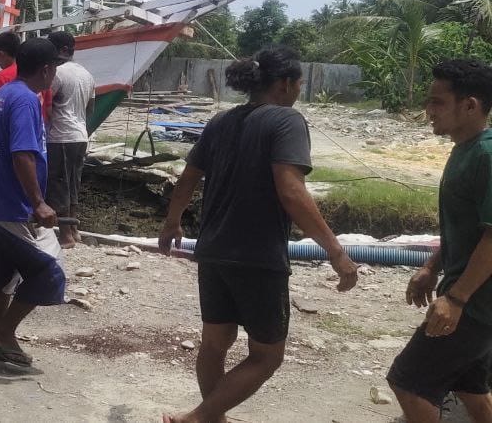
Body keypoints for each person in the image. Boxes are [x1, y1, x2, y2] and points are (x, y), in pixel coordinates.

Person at [158, 45, 359, 423]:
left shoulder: (221, 121)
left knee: (215, 343)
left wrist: (172, 222)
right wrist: (335, 251)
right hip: (257, 257)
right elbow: (292, 191)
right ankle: (199, 417)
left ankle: (209, 419)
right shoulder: (287, 121)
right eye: (298, 84)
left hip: (213, 249)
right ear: (284, 85)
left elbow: (187, 179)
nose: (298, 91)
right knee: (268, 356)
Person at [388, 59, 492, 423]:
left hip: (477, 303)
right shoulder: (464, 149)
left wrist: (457, 298)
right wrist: (431, 268)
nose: (428, 111)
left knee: (408, 381)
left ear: (470, 105)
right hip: (470, 296)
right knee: (470, 387)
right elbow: (465, 229)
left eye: (437, 102)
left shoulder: (486, 155)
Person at [0, 37, 69, 367]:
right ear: (45, 70)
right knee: (50, 272)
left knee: (3, 271)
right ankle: (2, 333)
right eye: (55, 69)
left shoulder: (4, 93)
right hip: (14, 206)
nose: (55, 76)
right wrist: (39, 203)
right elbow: (22, 155)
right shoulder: (27, 100)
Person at [45, 30, 93, 248]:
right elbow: (90, 108)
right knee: (73, 183)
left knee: (59, 185)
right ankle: (74, 230)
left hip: (60, 136)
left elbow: (46, 103)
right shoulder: (87, 74)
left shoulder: (58, 74)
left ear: (62, 50)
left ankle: (65, 235)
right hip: (80, 136)